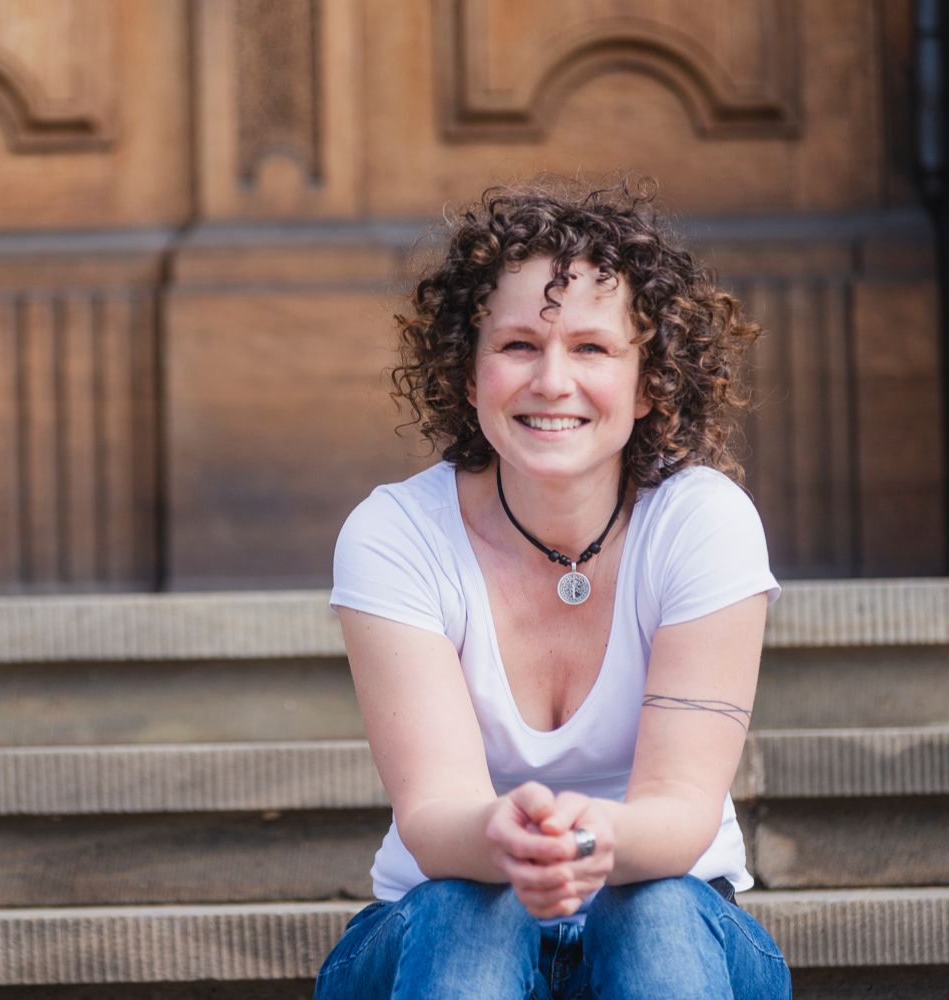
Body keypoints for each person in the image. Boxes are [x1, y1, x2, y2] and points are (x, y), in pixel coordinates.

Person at [315, 181, 791, 999]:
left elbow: (681, 812)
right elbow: (434, 815)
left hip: (674, 924)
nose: (552, 380)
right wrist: (501, 837)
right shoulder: (396, 534)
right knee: (473, 908)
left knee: (655, 911)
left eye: (592, 349)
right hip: (438, 932)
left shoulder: (702, 523)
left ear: (649, 383)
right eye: (519, 345)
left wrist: (594, 837)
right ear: (469, 375)